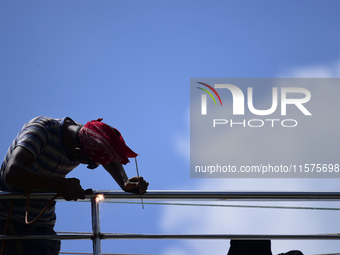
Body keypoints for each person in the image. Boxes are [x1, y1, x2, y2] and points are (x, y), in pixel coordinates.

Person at [0, 116, 149, 255]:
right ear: (78, 152)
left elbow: (106, 149)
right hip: (6, 221)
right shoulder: (40, 131)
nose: (91, 167)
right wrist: (61, 184)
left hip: (42, 227)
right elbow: (12, 172)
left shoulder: (86, 135)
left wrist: (124, 182)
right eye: (91, 165)